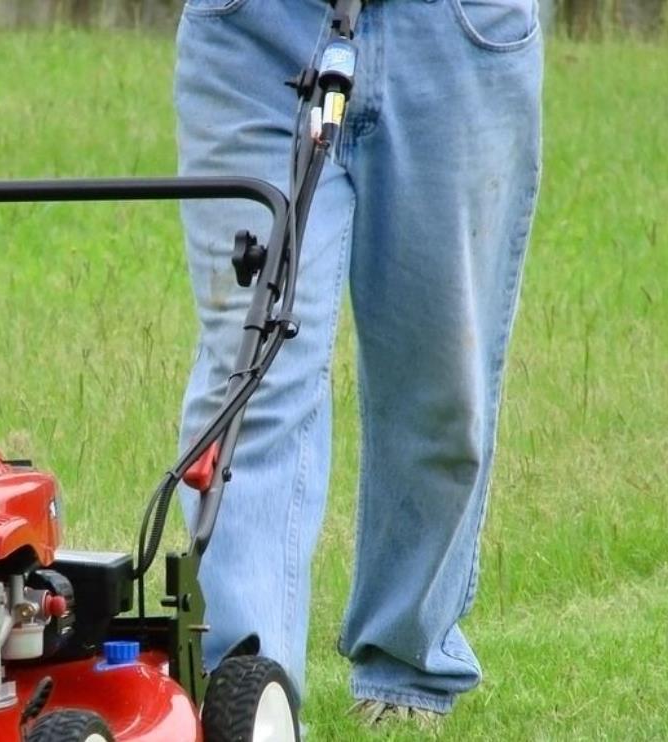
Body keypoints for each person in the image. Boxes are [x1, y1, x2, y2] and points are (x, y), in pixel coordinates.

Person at [173, 0, 543, 727]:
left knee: (441, 386)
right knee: (254, 372)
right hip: (256, 30)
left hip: (456, 36)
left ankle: (407, 667)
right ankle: (245, 697)